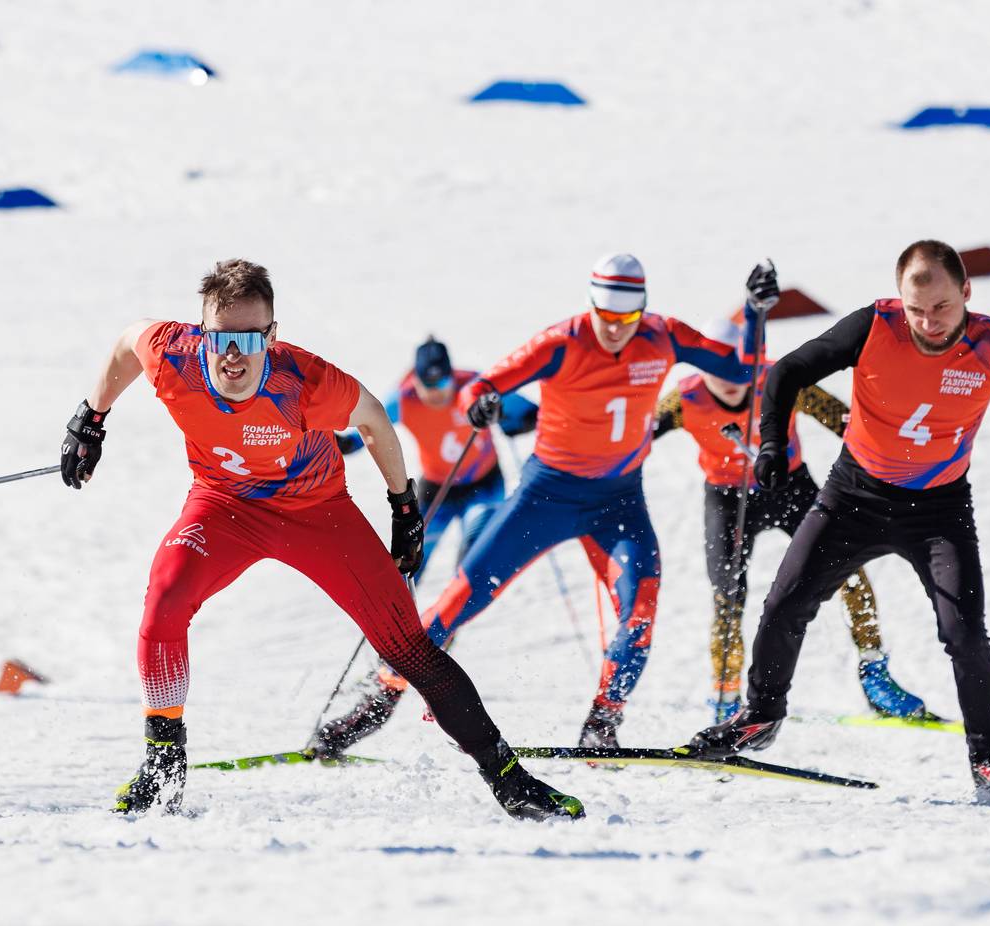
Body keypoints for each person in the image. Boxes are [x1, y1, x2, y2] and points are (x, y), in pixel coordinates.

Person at [59, 258, 582, 821]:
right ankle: (163, 762)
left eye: (249, 339)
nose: (232, 354)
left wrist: (404, 507)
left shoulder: (303, 381)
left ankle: (509, 777)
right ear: (201, 332)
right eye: (220, 338)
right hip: (223, 506)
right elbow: (126, 341)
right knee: (163, 604)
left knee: (407, 647)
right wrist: (91, 419)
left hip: (317, 514)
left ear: (272, 335)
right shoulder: (173, 355)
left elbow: (376, 421)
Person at [686, 241, 990, 804]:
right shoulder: (873, 327)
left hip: (938, 512)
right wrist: (771, 443)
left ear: (965, 292)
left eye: (940, 307)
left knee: (963, 633)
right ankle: (760, 717)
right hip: (852, 497)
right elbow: (787, 372)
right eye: (916, 309)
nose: (928, 322)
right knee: (785, 604)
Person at [309, 253, 769, 757]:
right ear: (591, 305)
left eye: (627, 319)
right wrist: (482, 402)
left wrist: (752, 311)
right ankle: (377, 700)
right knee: (460, 599)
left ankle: (603, 720)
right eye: (605, 318)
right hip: (545, 496)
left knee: (639, 610)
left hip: (618, 501)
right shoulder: (563, 341)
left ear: (643, 310)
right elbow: (484, 386)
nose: (615, 330)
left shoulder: (664, 335)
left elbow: (738, 368)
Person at [651, 310, 933, 724]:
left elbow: (845, 420)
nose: (728, 377)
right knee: (727, 594)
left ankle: (876, 676)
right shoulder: (685, 399)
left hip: (788, 486)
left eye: (737, 365)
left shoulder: (777, 381)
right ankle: (726, 700)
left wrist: (901, 463)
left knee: (849, 571)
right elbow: (632, 438)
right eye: (716, 366)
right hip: (728, 500)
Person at [311, 336, 538, 751]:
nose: (437, 395)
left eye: (443, 385)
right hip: (438, 489)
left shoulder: (472, 385)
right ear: (418, 380)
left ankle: (437, 642)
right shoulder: (406, 396)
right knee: (407, 566)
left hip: (483, 486)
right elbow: (369, 426)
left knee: (469, 569)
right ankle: (393, 641)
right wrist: (342, 444)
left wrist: (504, 415)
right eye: (429, 386)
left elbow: (528, 415)